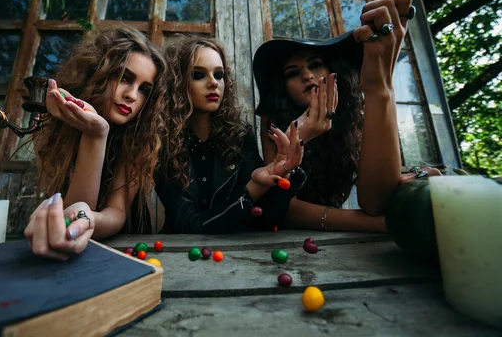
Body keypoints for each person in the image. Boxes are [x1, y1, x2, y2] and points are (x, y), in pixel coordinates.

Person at [253, 0, 441, 233]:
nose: (307, 75)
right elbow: (284, 207)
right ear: (284, 88)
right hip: (279, 236)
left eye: (315, 65)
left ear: (334, 72)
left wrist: (381, 86)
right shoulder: (275, 122)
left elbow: (375, 201)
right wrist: (379, 224)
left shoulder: (353, 117)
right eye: (293, 73)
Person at [24, 26, 169, 260]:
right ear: (97, 74)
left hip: (122, 251)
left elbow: (117, 213)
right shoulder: (56, 129)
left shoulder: (137, 138)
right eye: (124, 78)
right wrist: (95, 134)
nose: (132, 95)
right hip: (58, 248)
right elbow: (66, 213)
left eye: (144, 89)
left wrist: (88, 217)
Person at [155, 35, 304, 234]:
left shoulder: (240, 136)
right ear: (177, 82)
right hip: (178, 254)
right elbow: (188, 224)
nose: (213, 83)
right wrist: (252, 190)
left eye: (219, 75)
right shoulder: (163, 142)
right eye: (198, 75)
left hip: (237, 254)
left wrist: (284, 174)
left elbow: (266, 217)